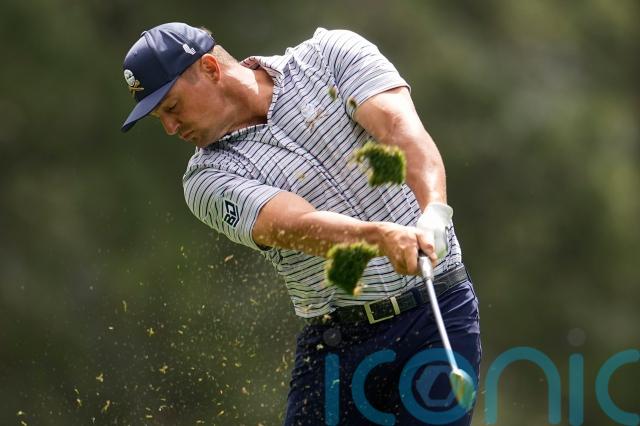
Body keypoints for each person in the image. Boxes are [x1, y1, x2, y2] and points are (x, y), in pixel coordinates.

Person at [121, 22, 481, 425]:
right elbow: (296, 226)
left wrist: (434, 211)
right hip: (338, 347)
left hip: (437, 313)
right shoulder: (206, 179)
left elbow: (399, 129)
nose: (171, 128)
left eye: (172, 108)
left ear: (209, 68)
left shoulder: (330, 56)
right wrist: (381, 237)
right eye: (160, 119)